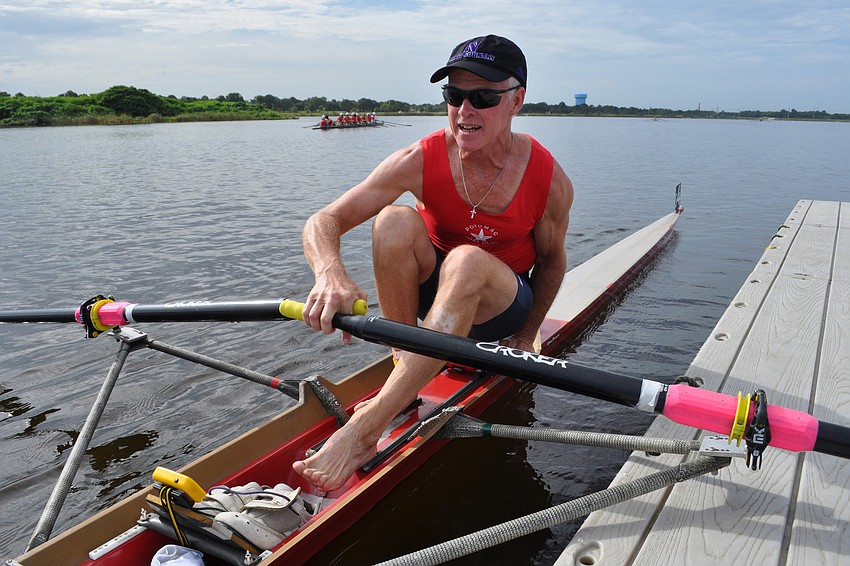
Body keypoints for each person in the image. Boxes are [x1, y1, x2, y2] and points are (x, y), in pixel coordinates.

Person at [294, 35, 574, 492]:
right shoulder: (418, 158)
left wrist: (527, 336)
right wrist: (329, 272)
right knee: (393, 222)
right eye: (454, 95)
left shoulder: (548, 177)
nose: (465, 111)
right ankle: (402, 368)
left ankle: (365, 431)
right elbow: (324, 219)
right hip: (437, 297)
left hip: (499, 308)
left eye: (483, 97)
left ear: (516, 100)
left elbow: (553, 262)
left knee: (466, 260)